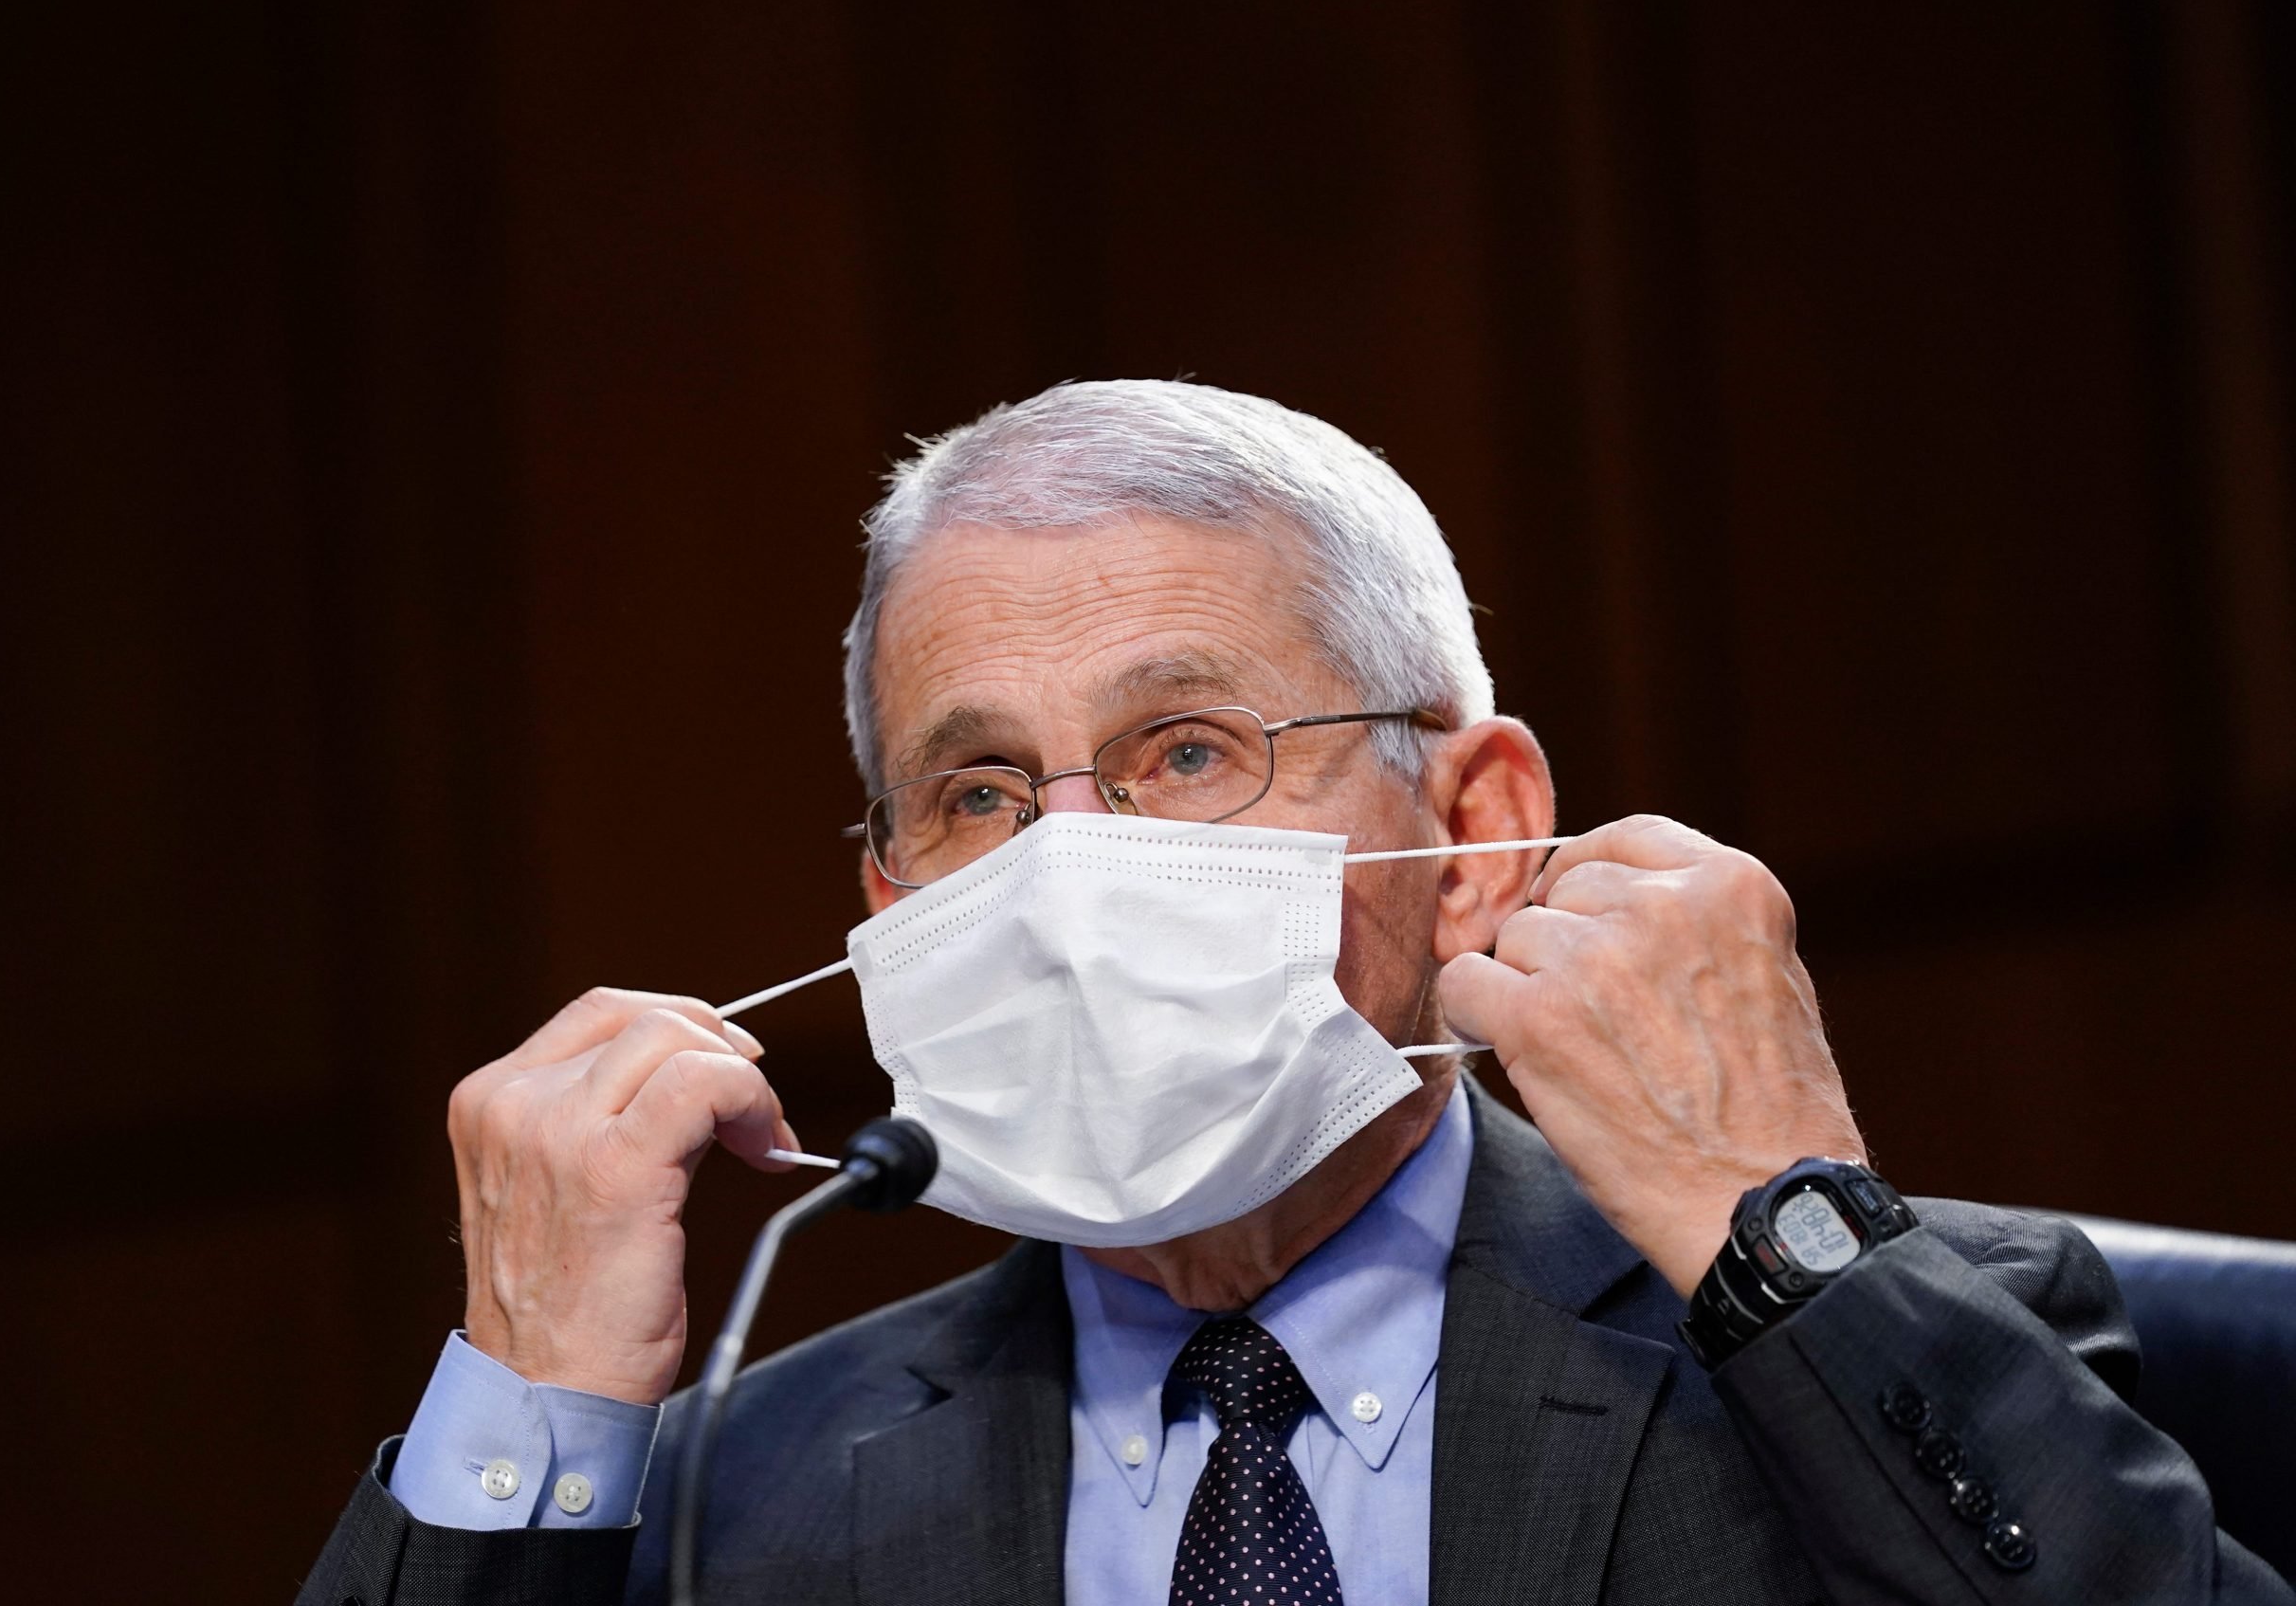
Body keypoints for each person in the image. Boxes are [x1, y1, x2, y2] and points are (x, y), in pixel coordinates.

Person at [301, 381, 2288, 1605]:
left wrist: (1785, 1240)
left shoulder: (1888, 1337)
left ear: (1478, 828)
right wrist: (529, 1399)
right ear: (892, 902)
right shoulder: (737, 1496)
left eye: (1183, 753)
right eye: (981, 792)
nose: (1072, 873)